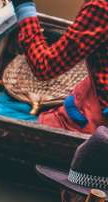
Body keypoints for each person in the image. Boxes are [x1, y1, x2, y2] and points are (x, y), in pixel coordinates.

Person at [12, 0, 107, 133]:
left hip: (92, 124)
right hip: (86, 100)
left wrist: (24, 7)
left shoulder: (101, 7)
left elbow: (44, 66)